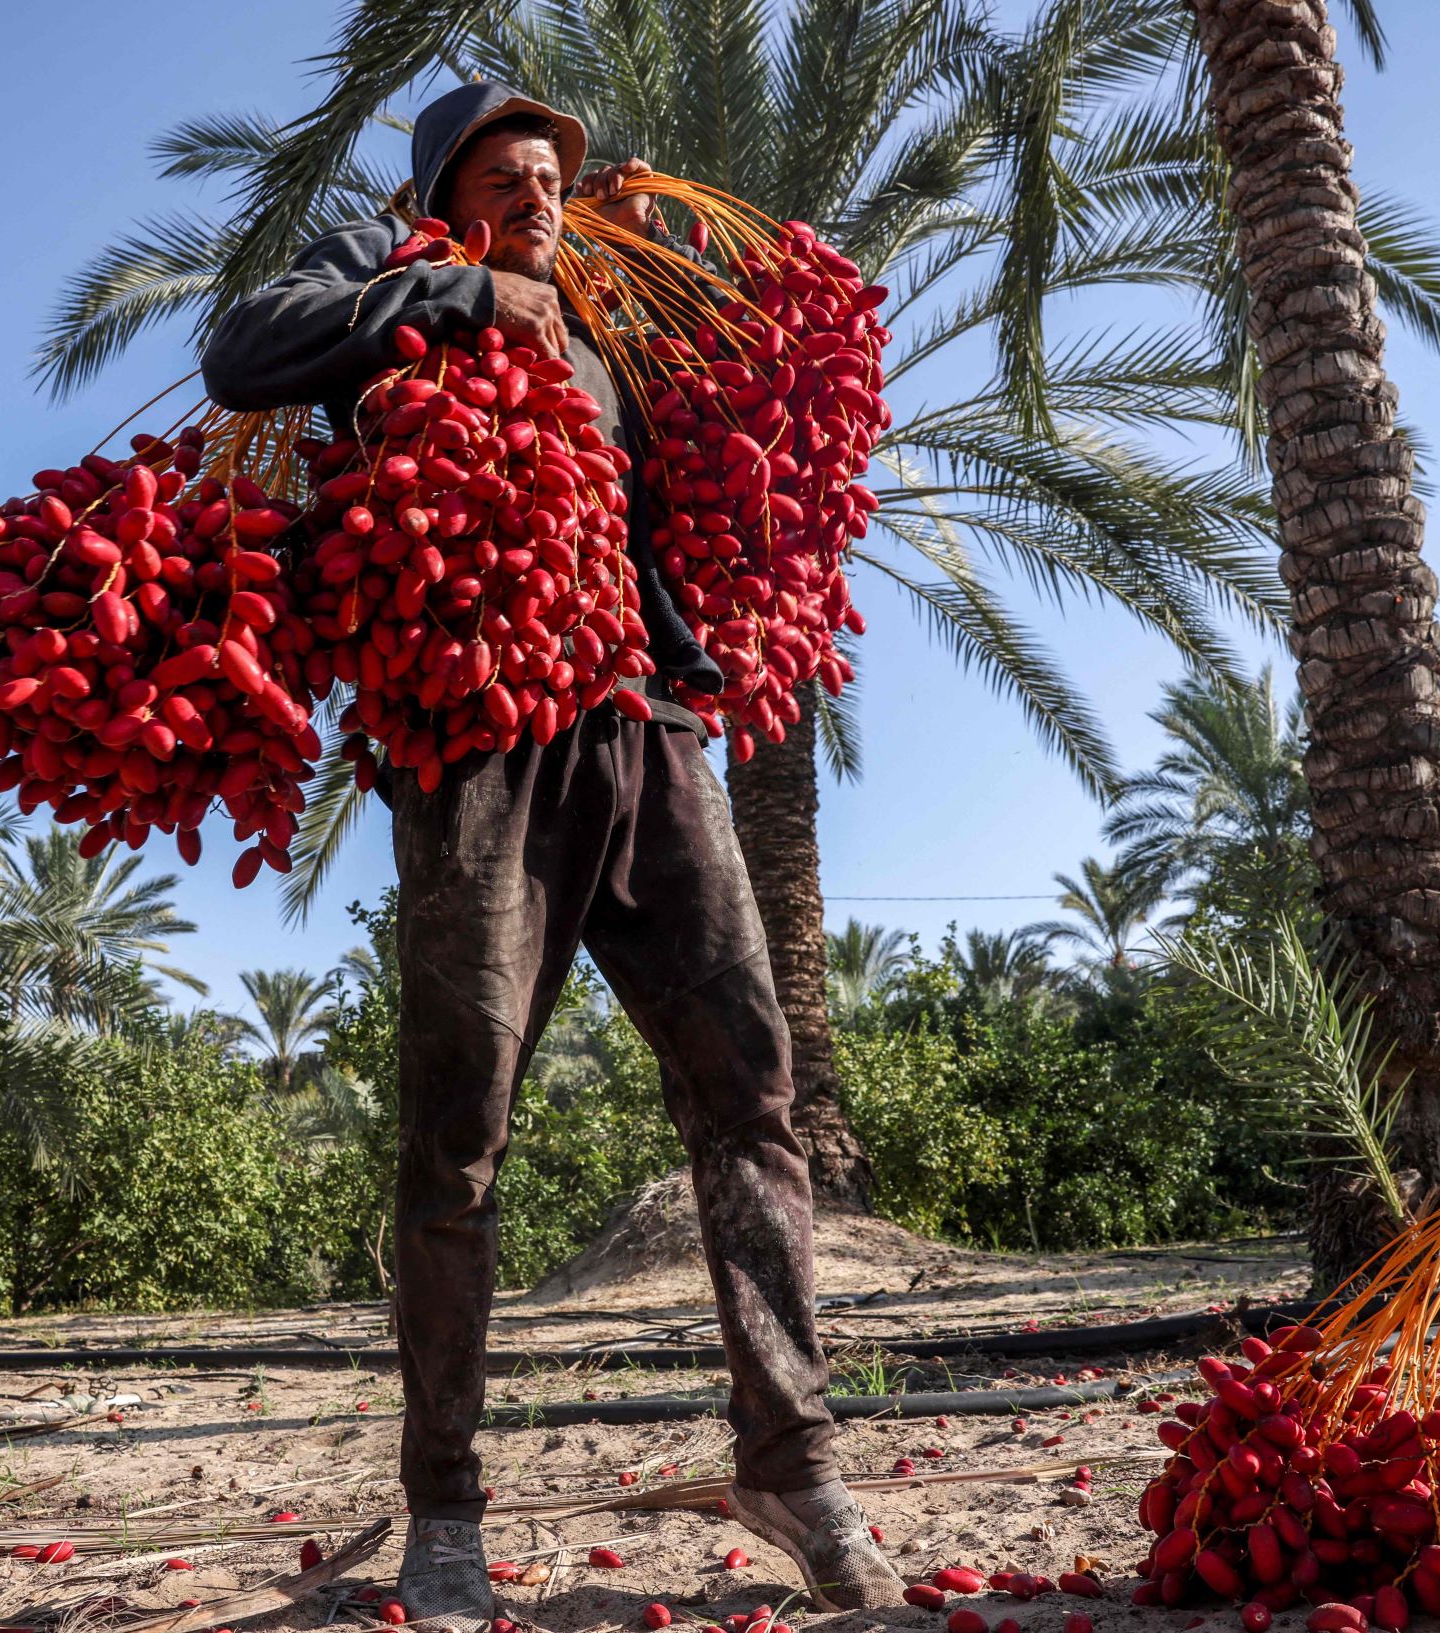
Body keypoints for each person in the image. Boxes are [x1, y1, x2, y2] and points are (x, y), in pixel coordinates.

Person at [201, 82, 905, 1627]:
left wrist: (695, 637)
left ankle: (793, 1457)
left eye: (551, 176)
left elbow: (694, 480)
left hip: (642, 728)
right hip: (473, 735)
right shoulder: (388, 284)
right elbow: (240, 347)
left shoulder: (602, 334)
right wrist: (461, 294)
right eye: (508, 173)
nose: (539, 191)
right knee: (460, 1123)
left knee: (752, 1079)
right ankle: (443, 1505)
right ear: (446, 192)